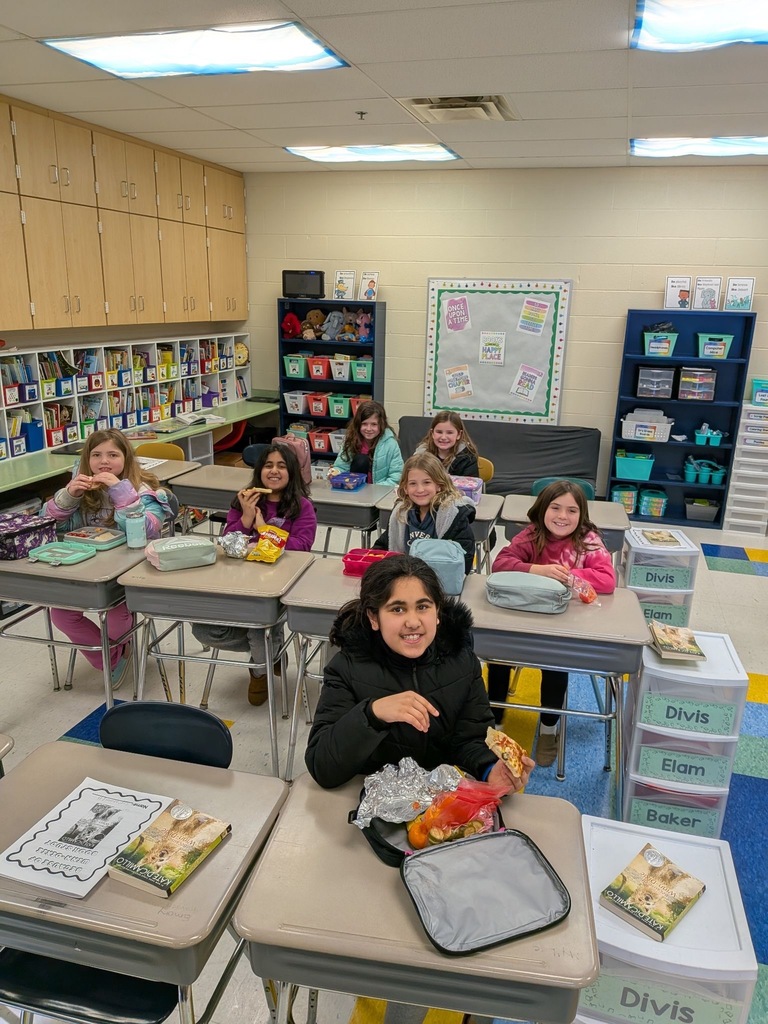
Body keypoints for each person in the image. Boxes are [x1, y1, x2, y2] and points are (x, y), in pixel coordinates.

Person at [305, 553, 534, 791]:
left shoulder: (461, 662)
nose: (413, 622)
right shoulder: (347, 669)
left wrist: (489, 769)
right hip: (371, 807)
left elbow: (470, 739)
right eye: (397, 609)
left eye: (423, 607)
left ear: (437, 614)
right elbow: (322, 767)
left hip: (439, 808)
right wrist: (373, 714)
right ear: (374, 618)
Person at [486, 480, 616, 766]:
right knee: (497, 654)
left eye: (571, 510)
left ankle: (549, 727)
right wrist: (539, 570)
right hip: (526, 617)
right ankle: (494, 723)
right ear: (543, 509)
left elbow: (607, 580)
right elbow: (500, 563)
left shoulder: (588, 540)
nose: (562, 516)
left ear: (581, 515)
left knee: (554, 663)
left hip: (564, 624)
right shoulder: (533, 534)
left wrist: (567, 575)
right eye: (555, 508)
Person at [43, 428, 174, 688]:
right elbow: (46, 523)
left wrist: (122, 493)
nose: (104, 461)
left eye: (113, 454)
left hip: (126, 575)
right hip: (82, 570)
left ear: (126, 458)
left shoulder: (144, 490)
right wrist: (69, 496)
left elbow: (150, 528)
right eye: (96, 455)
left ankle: (113, 651)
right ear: (86, 460)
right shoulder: (79, 487)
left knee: (116, 621)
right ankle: (112, 658)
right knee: (60, 616)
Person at [191, 443, 317, 706]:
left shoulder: (302, 506)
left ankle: (259, 670)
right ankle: (272, 650)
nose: (274, 471)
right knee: (204, 631)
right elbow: (227, 543)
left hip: (281, 582)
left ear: (292, 472)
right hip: (239, 581)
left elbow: (301, 546)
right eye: (268, 465)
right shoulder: (244, 501)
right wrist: (247, 517)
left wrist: (263, 527)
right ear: (259, 471)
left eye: (281, 466)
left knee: (260, 628)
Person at [373, 453, 476, 573]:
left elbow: (464, 560)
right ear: (405, 488)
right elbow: (383, 546)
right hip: (404, 578)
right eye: (413, 484)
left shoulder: (453, 515)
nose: (420, 490)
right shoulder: (400, 513)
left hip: (439, 582)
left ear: (439, 485)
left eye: (427, 482)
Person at [327, 399, 403, 486]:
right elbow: (341, 466)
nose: (369, 429)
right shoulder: (351, 440)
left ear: (381, 424)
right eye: (364, 424)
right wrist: (334, 473)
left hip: (379, 491)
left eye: (374, 424)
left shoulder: (391, 444)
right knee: (361, 460)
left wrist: (374, 490)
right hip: (354, 489)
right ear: (358, 424)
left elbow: (396, 476)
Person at [414, 411, 480, 477]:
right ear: (432, 433)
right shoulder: (421, 455)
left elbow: (470, 485)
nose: (443, 437)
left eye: (449, 433)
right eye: (439, 432)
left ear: (459, 434)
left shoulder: (468, 458)